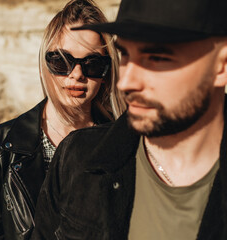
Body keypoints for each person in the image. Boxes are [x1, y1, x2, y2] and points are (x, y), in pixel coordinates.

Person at [31, 0, 227, 239]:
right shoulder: (77, 159)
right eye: (125, 54)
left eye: (156, 58)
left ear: (221, 66)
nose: (126, 83)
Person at [0, 0, 125, 239]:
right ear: (46, 63)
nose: (76, 74)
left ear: (107, 73)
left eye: (93, 64)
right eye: (62, 61)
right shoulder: (1, 146)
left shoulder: (122, 144)